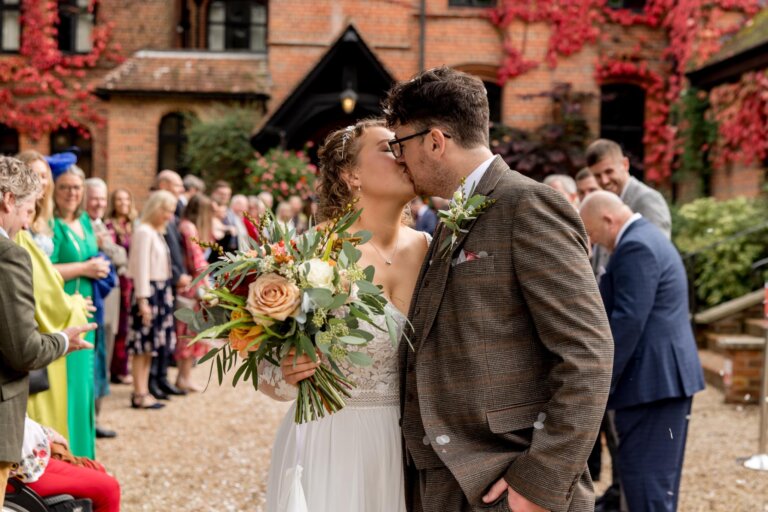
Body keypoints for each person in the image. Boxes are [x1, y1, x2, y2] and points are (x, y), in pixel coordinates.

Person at [383, 67, 614, 512]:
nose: (398, 158)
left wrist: (538, 482)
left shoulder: (527, 204)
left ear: (435, 141)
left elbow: (588, 353)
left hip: (507, 482)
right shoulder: (456, 213)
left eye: (401, 144)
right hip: (449, 482)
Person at [262, 119, 431, 512]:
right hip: (331, 440)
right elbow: (269, 374)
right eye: (390, 148)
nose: (404, 154)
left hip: (411, 447)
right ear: (350, 174)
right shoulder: (308, 252)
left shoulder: (433, 248)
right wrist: (288, 372)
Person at [579, 192, 705, 512]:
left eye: (591, 234)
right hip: (660, 382)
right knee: (654, 484)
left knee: (646, 484)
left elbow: (628, 322)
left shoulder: (636, 246)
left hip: (651, 386)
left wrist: (600, 383)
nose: (594, 243)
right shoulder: (647, 237)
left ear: (608, 220)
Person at [0, 155, 95, 508]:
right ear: (8, 199)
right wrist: (62, 340)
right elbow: (23, 349)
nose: (26, 222)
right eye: (27, 209)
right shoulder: (9, 254)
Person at [51, 163, 110, 459]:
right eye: (65, 187)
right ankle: (68, 454)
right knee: (70, 386)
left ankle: (86, 455)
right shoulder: (52, 225)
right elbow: (44, 271)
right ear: (54, 190)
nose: (71, 193)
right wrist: (85, 268)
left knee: (86, 384)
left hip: (89, 311)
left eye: (76, 187)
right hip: (63, 313)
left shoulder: (86, 220)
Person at [126, 190, 179, 410]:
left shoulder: (155, 232)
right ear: (157, 209)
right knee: (142, 345)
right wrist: (143, 300)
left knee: (150, 347)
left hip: (160, 291)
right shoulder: (144, 232)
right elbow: (141, 268)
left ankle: (144, 390)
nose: (169, 216)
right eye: (166, 211)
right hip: (148, 293)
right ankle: (139, 393)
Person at [11, 416, 121, 511]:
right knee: (108, 489)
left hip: (19, 446)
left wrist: (44, 434)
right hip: (13, 466)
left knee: (95, 469)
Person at [84, 178, 122, 439]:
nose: (98, 203)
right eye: (94, 198)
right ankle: (87, 420)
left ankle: (95, 417)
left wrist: (105, 246)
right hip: (91, 302)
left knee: (102, 360)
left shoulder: (101, 226)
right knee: (90, 361)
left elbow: (120, 256)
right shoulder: (82, 226)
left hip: (108, 303)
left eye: (102, 199)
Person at [151, 170, 189, 399]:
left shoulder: (174, 214)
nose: (181, 190)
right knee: (158, 334)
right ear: (164, 185)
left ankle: (163, 377)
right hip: (162, 281)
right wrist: (177, 276)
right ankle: (155, 379)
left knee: (168, 334)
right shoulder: (155, 215)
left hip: (172, 281)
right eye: (177, 185)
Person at [586, 139, 671, 238]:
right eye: (597, 176)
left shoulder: (648, 199)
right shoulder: (602, 203)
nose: (605, 181)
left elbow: (656, 248)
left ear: (625, 164)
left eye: (609, 172)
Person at [175, 193, 213, 392]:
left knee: (192, 335)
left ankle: (184, 376)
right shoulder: (189, 228)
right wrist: (206, 290)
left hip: (193, 285)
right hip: (192, 288)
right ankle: (184, 377)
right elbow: (197, 261)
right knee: (189, 335)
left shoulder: (186, 225)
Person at [105, 188, 137, 386]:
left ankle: (125, 363)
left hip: (134, 278)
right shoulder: (110, 226)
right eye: (118, 199)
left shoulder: (135, 224)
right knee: (120, 325)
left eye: (126, 199)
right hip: (119, 279)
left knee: (131, 324)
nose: (123, 202)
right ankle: (117, 368)